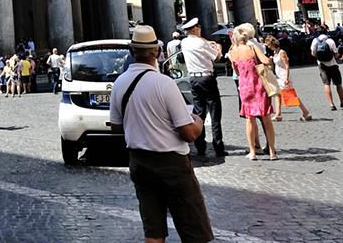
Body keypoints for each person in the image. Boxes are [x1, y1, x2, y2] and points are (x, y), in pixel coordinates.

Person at [108, 25, 213, 243]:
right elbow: (188, 133)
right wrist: (199, 122)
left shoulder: (119, 83)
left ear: (131, 50)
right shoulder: (164, 83)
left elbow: (116, 127)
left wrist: (139, 123)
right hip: (171, 164)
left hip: (139, 162)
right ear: (156, 51)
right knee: (195, 231)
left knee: (153, 233)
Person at [228, 24, 276, 161]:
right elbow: (265, 61)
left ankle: (253, 151)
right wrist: (270, 60)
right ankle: (272, 152)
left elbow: (236, 72)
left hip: (245, 87)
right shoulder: (252, 48)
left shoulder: (233, 53)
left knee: (250, 119)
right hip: (258, 86)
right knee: (266, 118)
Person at [179, 18, 224, 157]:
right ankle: (218, 146)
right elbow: (216, 57)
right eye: (199, 27)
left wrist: (206, 42)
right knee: (215, 112)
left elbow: (198, 42)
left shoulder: (184, 42)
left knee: (199, 113)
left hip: (194, 79)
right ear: (195, 29)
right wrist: (218, 48)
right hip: (207, 77)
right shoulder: (201, 43)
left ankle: (200, 146)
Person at [264, 37, 312, 122]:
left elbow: (286, 65)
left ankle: (305, 112)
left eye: (268, 45)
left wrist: (286, 78)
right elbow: (274, 66)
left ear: (272, 44)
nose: (268, 47)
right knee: (278, 94)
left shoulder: (282, 52)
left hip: (284, 76)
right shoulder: (275, 53)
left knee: (291, 95)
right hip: (279, 77)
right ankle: (278, 114)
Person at [310, 33, 343, 110]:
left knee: (326, 84)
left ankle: (331, 104)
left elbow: (313, 53)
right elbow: (336, 55)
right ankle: (342, 102)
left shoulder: (314, 41)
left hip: (322, 65)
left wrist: (319, 57)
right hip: (332, 65)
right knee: (338, 84)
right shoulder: (330, 41)